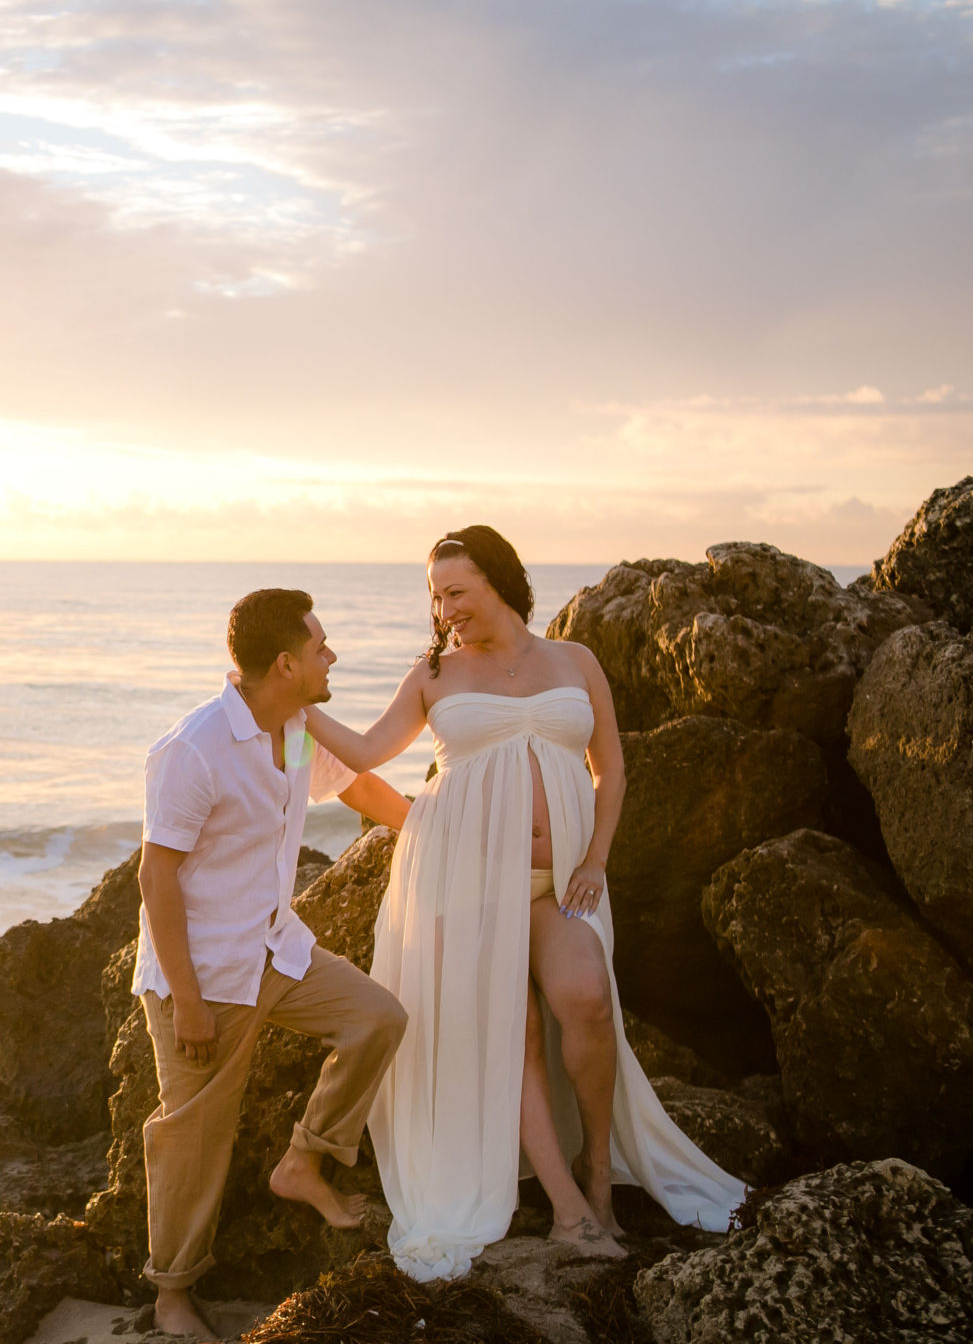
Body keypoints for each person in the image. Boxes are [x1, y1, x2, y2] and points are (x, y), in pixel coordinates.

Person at [304, 527, 746, 1282]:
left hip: (560, 881)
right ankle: (572, 1208)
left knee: (585, 996)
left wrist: (598, 859)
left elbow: (610, 769)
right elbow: (369, 751)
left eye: (457, 593)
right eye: (436, 596)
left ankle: (600, 1168)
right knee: (516, 1031)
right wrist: (294, 701)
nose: (445, 610)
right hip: (464, 880)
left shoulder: (575, 660)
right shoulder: (435, 671)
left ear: (499, 582)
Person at [136, 588, 412, 1339]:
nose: (332, 657)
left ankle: (305, 1160)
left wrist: (432, 821)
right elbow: (155, 877)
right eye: (322, 647)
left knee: (377, 1019)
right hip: (203, 971)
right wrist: (187, 1001)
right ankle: (172, 1292)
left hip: (276, 949)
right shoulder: (194, 749)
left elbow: (357, 785)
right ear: (286, 662)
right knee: (195, 1135)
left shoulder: (291, 730)